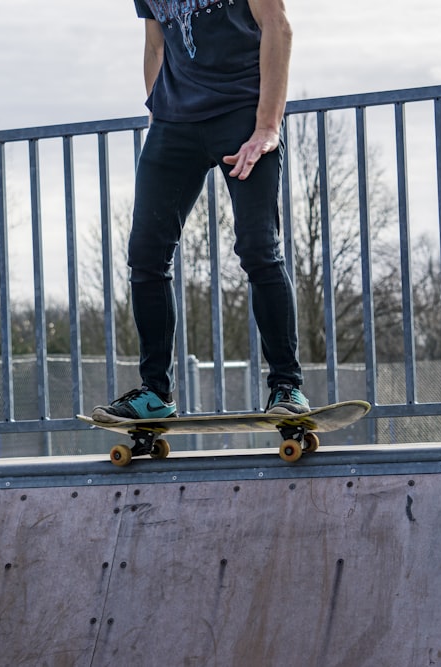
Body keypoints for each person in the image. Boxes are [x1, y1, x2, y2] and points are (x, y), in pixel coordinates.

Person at [91, 0, 308, 424]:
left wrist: (267, 125)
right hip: (175, 123)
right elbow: (155, 45)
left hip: (242, 112)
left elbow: (277, 26)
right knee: (146, 255)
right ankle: (155, 392)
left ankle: (287, 385)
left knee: (258, 246)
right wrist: (159, 117)